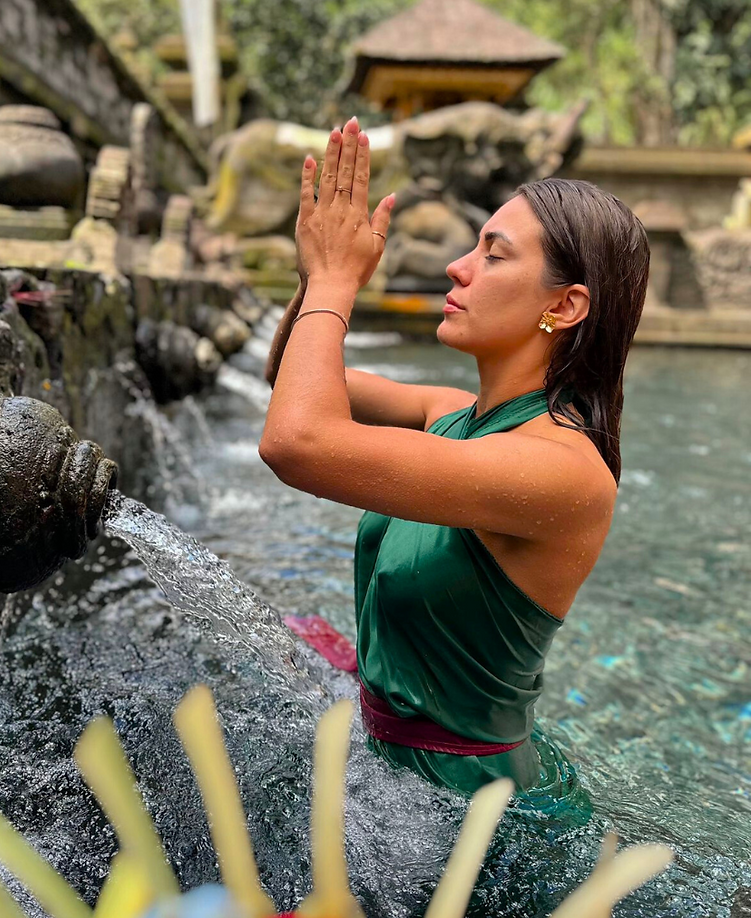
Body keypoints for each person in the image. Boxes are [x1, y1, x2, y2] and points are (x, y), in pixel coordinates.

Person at [260, 116, 649, 799]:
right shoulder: (449, 414)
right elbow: (290, 382)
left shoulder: (562, 473)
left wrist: (336, 284)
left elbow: (296, 443)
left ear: (564, 304)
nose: (457, 266)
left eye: (494, 255)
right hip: (386, 782)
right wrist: (314, 275)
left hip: (465, 817)